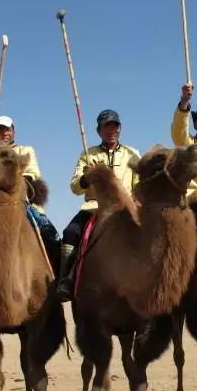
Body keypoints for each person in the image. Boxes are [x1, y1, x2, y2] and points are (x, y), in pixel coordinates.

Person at [56, 109, 141, 300]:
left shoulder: (132, 154)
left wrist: (136, 206)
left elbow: (140, 187)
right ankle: (66, 280)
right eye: (107, 126)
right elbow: (74, 187)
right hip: (93, 208)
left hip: (125, 209)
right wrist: (86, 178)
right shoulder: (88, 154)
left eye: (114, 126)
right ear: (99, 131)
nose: (111, 130)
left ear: (119, 129)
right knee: (70, 233)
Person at [0, 115, 59, 251]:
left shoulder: (25, 151)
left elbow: (32, 174)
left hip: (22, 202)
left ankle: (58, 272)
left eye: (7, 129)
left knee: (52, 238)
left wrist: (3, 182)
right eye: (0, 129)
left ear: (13, 131)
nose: (4, 133)